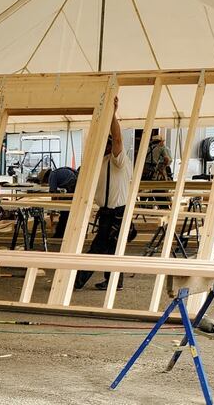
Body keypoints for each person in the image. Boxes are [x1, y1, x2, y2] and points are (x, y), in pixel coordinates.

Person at [75, 98, 133, 291]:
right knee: (110, 248)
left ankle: (78, 280)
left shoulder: (118, 160)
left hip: (116, 211)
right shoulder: (102, 161)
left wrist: (112, 115)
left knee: (100, 247)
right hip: (107, 210)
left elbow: (117, 139)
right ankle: (114, 281)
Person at [48, 166, 78, 238]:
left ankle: (60, 234)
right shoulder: (56, 172)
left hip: (72, 183)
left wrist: (52, 207)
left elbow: (53, 193)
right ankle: (64, 232)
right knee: (67, 210)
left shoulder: (52, 176)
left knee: (65, 211)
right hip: (73, 180)